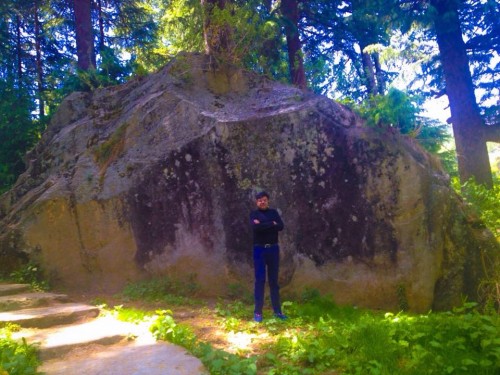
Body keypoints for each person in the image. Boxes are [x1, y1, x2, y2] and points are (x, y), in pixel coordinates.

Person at [250, 191, 287, 322]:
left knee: (274, 282)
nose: (262, 201)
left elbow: (281, 226)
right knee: (260, 280)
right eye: (260, 200)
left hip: (273, 249)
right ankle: (258, 312)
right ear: (257, 202)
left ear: (268, 201)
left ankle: (277, 311)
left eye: (264, 199)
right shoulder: (254, 214)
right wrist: (272, 224)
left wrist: (264, 224)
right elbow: (256, 228)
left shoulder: (274, 213)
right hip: (259, 250)